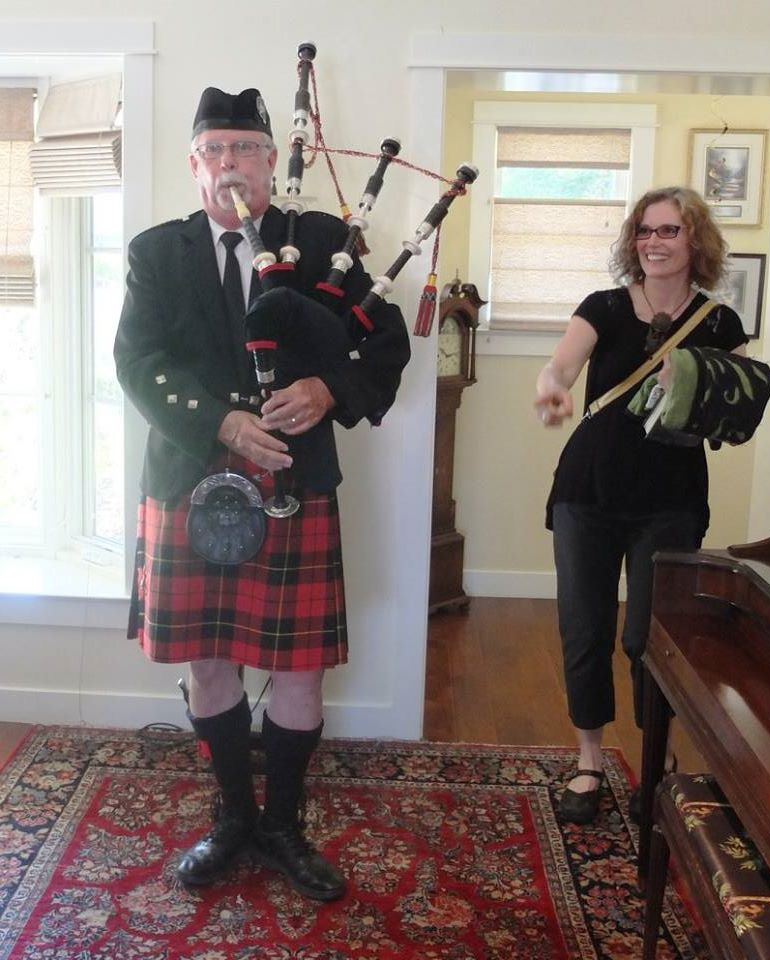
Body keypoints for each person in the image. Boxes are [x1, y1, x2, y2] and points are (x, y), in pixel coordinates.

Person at [114, 87, 410, 898]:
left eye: (245, 148)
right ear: (194, 165)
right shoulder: (157, 251)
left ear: (272, 161)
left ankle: (282, 823)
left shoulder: (323, 243)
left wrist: (327, 388)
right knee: (207, 661)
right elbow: (138, 362)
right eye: (214, 150)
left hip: (293, 477)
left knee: (299, 669)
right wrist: (219, 423)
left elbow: (383, 344)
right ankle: (232, 817)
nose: (229, 164)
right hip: (190, 474)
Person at [534, 186, 747, 825]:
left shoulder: (719, 323)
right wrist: (551, 390)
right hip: (588, 491)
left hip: (670, 501)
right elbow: (560, 367)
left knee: (650, 639)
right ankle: (589, 761)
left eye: (669, 230)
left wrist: (694, 388)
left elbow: (737, 409)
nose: (654, 242)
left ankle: (658, 760)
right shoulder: (603, 306)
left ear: (695, 240)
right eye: (645, 231)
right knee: (585, 628)